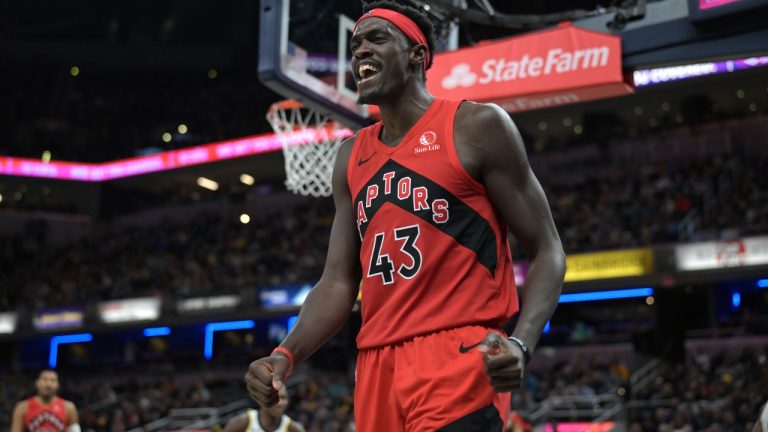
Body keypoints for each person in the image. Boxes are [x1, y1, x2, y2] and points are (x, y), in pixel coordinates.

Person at [245, 1, 565, 430]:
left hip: (459, 354)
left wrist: (521, 344)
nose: (360, 51)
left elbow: (547, 250)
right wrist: (285, 353)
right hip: (376, 367)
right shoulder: (350, 156)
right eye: (355, 44)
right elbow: (339, 280)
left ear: (418, 54)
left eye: (377, 39)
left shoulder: (476, 126)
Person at [11, 369, 81, 432]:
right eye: (44, 380)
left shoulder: (69, 408)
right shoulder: (22, 408)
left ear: (58, 385)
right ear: (37, 383)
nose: (48, 384)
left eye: (52, 380)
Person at [223, 386, 305, 432]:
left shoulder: (293, 428)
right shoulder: (244, 422)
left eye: (283, 398)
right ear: (262, 399)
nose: (280, 403)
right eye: (275, 398)